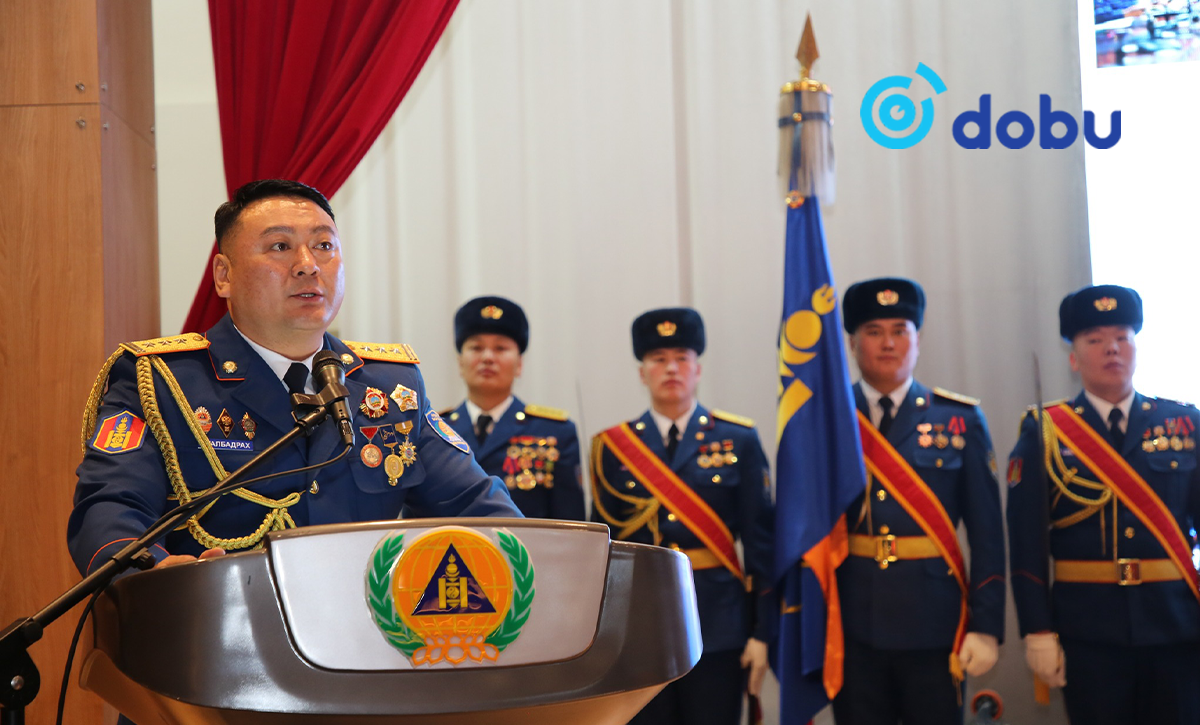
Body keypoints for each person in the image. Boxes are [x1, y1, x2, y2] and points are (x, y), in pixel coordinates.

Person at [68, 179, 521, 578]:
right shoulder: (161, 382)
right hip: (229, 632)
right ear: (224, 276)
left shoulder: (388, 386)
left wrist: (536, 555)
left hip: (365, 633)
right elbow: (110, 509)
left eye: (324, 245)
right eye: (280, 247)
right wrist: (155, 572)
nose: (308, 264)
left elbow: (478, 508)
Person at [1007, 284, 1200, 724]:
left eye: (1122, 337)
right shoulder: (1045, 432)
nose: (1111, 349)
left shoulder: (1185, 424)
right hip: (1089, 633)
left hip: (1175, 626)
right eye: (1095, 339)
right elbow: (1026, 544)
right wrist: (1038, 630)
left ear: (1136, 348)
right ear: (1073, 358)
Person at [590, 307, 774, 725]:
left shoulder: (738, 440)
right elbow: (601, 556)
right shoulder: (612, 447)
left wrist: (762, 632)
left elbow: (761, 544)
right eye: (658, 359)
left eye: (681, 358)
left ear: (698, 369)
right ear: (642, 373)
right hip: (639, 628)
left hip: (720, 624)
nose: (671, 368)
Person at [834, 277, 1005, 725]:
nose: (888, 343)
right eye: (874, 331)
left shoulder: (960, 419)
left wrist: (986, 627)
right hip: (851, 624)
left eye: (900, 330)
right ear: (852, 342)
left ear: (918, 338)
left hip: (934, 624)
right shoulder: (828, 418)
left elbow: (988, 533)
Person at [442, 295, 585, 520]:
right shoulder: (434, 430)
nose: (488, 357)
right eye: (476, 347)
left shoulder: (556, 432)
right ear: (460, 362)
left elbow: (570, 523)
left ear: (519, 364)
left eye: (500, 348)